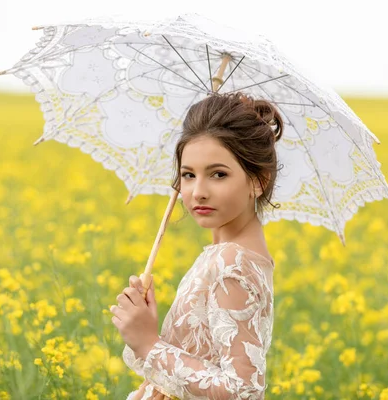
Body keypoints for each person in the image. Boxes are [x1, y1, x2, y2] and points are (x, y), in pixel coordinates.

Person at [109, 92, 283, 399]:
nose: (197, 192)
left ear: (259, 181)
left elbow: (243, 391)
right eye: (188, 175)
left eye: (218, 174)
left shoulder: (234, 265)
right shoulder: (227, 254)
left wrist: (149, 344)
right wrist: (150, 329)